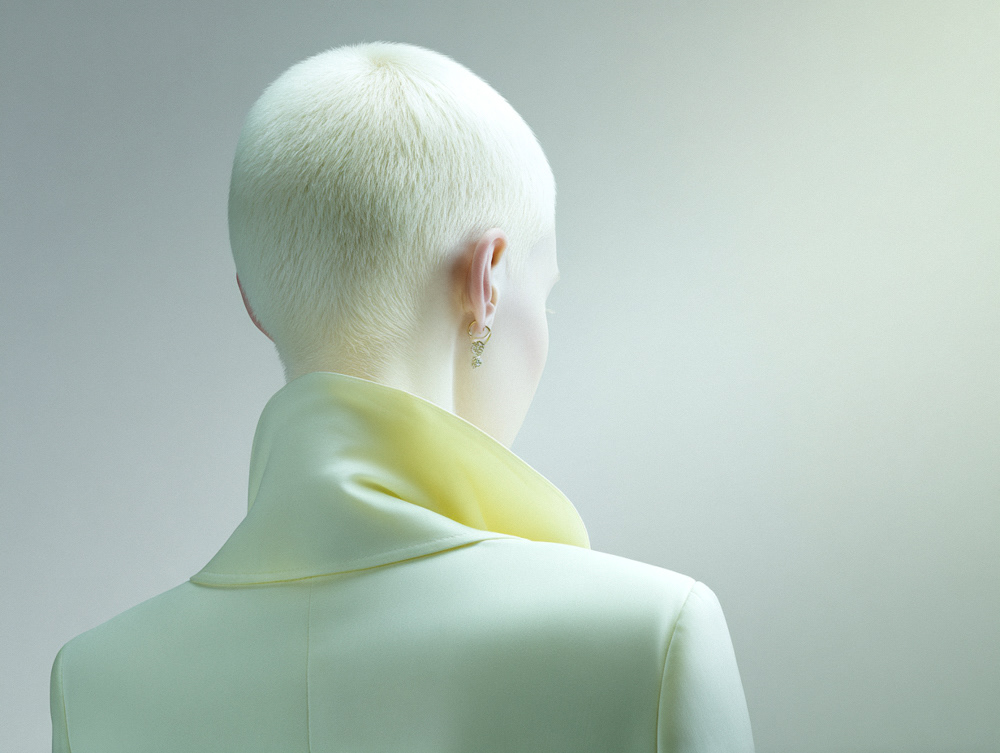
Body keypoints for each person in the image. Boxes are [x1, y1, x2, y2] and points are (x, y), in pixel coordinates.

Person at [50, 42, 754, 752]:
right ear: (488, 277)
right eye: (545, 295)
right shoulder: (658, 636)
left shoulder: (92, 682)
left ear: (253, 305)